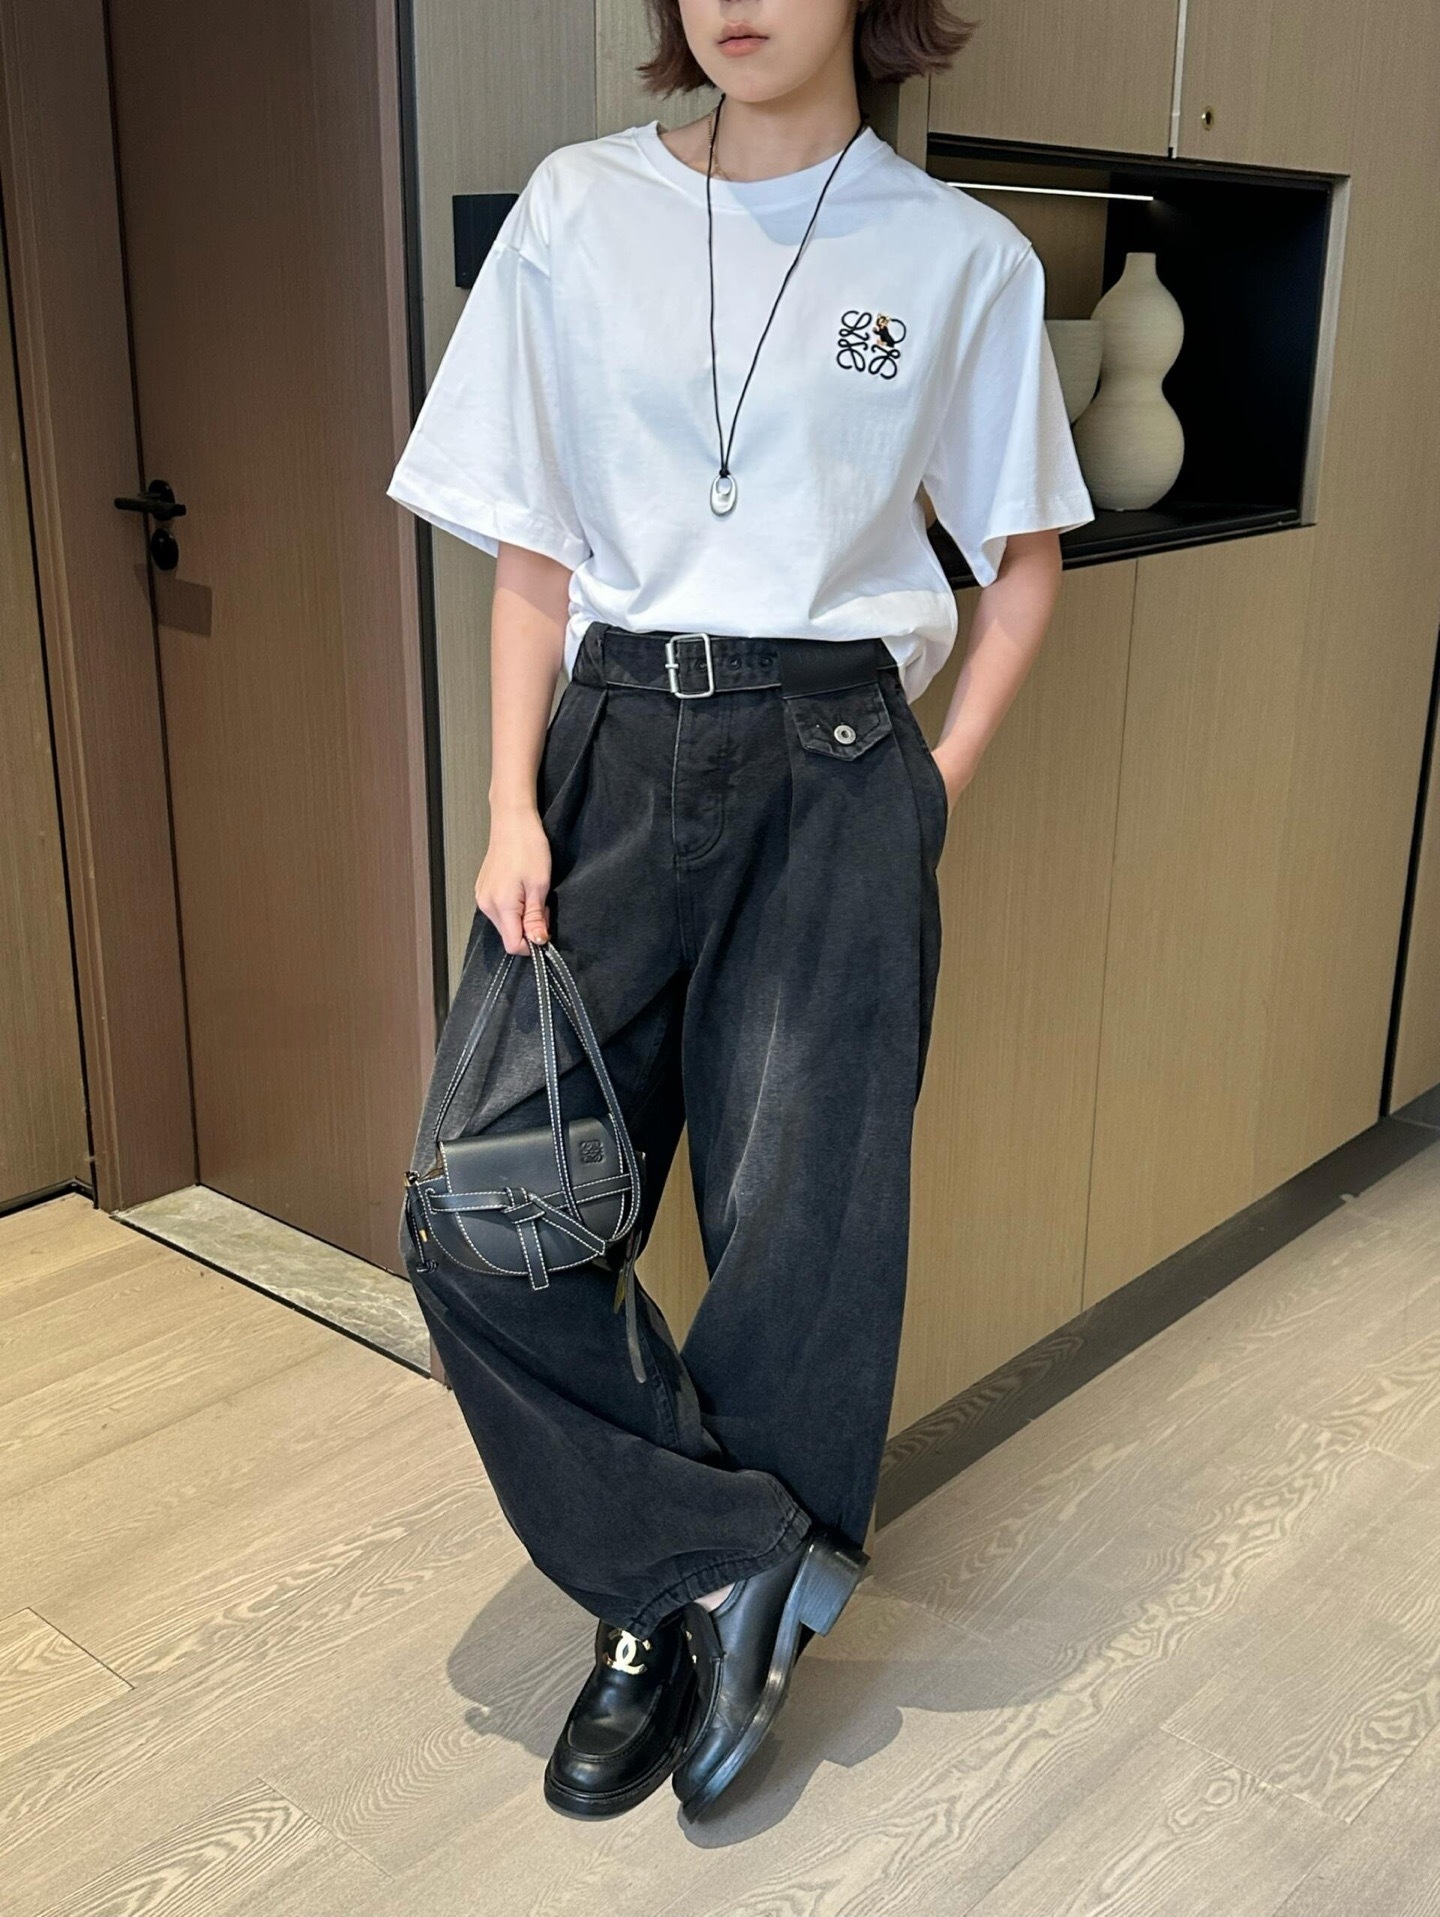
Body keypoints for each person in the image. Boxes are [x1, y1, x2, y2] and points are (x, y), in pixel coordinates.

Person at [388, 0, 1093, 1824]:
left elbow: (1022, 561)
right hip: (611, 749)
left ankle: (672, 1629)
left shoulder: (958, 258)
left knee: (798, 1229)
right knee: (484, 1216)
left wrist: (929, 786)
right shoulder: (579, 208)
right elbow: (534, 544)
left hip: (836, 756)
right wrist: (507, 801)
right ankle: (714, 1563)